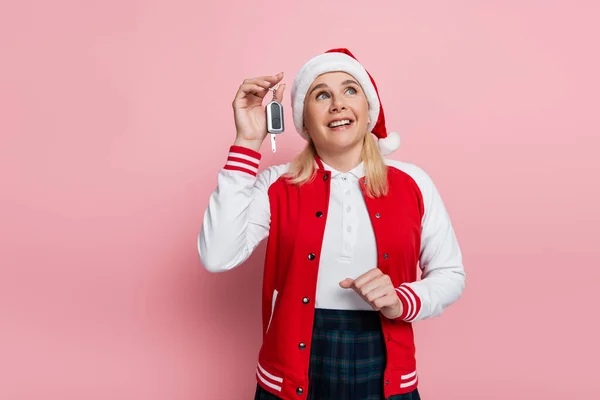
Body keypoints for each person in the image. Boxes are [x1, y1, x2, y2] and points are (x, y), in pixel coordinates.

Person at [198, 48, 466, 400]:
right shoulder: (277, 184)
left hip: (385, 369)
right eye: (321, 94)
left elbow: (450, 274)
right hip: (291, 373)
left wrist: (403, 300)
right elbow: (217, 256)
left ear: (369, 110)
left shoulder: (414, 182)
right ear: (303, 120)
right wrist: (247, 142)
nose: (338, 104)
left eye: (350, 90)